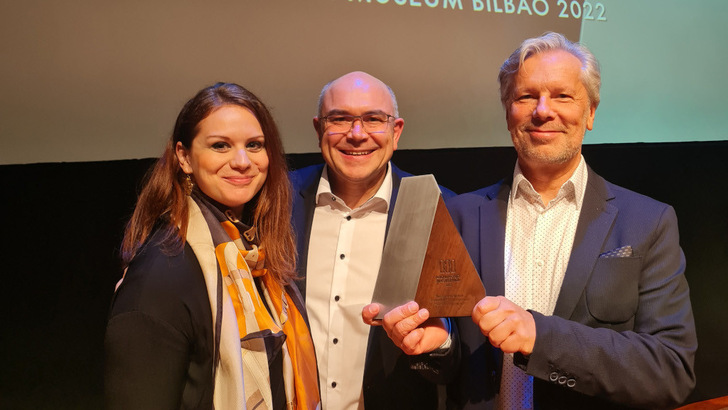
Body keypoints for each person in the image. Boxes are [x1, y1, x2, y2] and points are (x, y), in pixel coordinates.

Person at [444, 32, 697, 409]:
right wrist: (436, 347)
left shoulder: (649, 221)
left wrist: (541, 337)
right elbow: (450, 363)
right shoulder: (459, 214)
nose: (543, 110)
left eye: (562, 96)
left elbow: (671, 370)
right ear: (507, 112)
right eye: (526, 96)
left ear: (591, 112)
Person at [105, 83, 320, 410]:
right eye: (220, 145)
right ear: (184, 157)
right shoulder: (161, 275)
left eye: (254, 145)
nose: (242, 161)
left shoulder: (256, 256)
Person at [290, 71, 456, 410]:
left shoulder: (438, 207)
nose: (356, 134)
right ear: (319, 129)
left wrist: (440, 342)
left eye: (373, 120)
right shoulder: (279, 200)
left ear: (396, 132)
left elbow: (460, 351)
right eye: (339, 119)